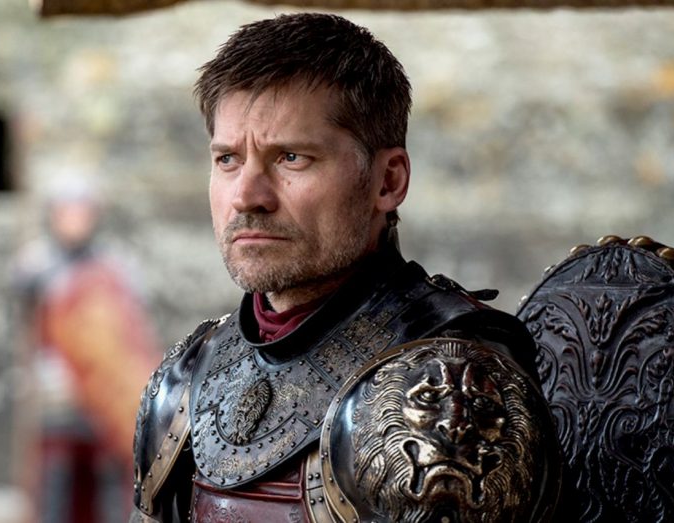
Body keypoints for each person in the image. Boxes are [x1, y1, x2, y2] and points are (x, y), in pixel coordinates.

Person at [130, 13, 560, 523]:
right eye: (228, 159)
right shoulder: (186, 379)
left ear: (388, 182)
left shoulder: (449, 382)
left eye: (291, 157)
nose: (247, 195)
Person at [15, 178, 159, 523]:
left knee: (110, 491)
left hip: (105, 403)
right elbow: (31, 333)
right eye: (68, 211)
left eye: (81, 211)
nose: (75, 220)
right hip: (57, 398)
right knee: (56, 491)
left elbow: (127, 337)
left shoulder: (116, 268)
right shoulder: (35, 267)